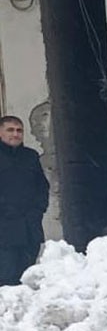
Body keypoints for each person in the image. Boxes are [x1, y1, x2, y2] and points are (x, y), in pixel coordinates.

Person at [0, 115, 49, 286]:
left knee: (28, 277)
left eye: (19, 130)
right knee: (6, 277)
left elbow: (42, 187)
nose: (15, 134)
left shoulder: (31, 156)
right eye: (10, 130)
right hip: (4, 231)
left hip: (29, 229)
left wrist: (38, 211)